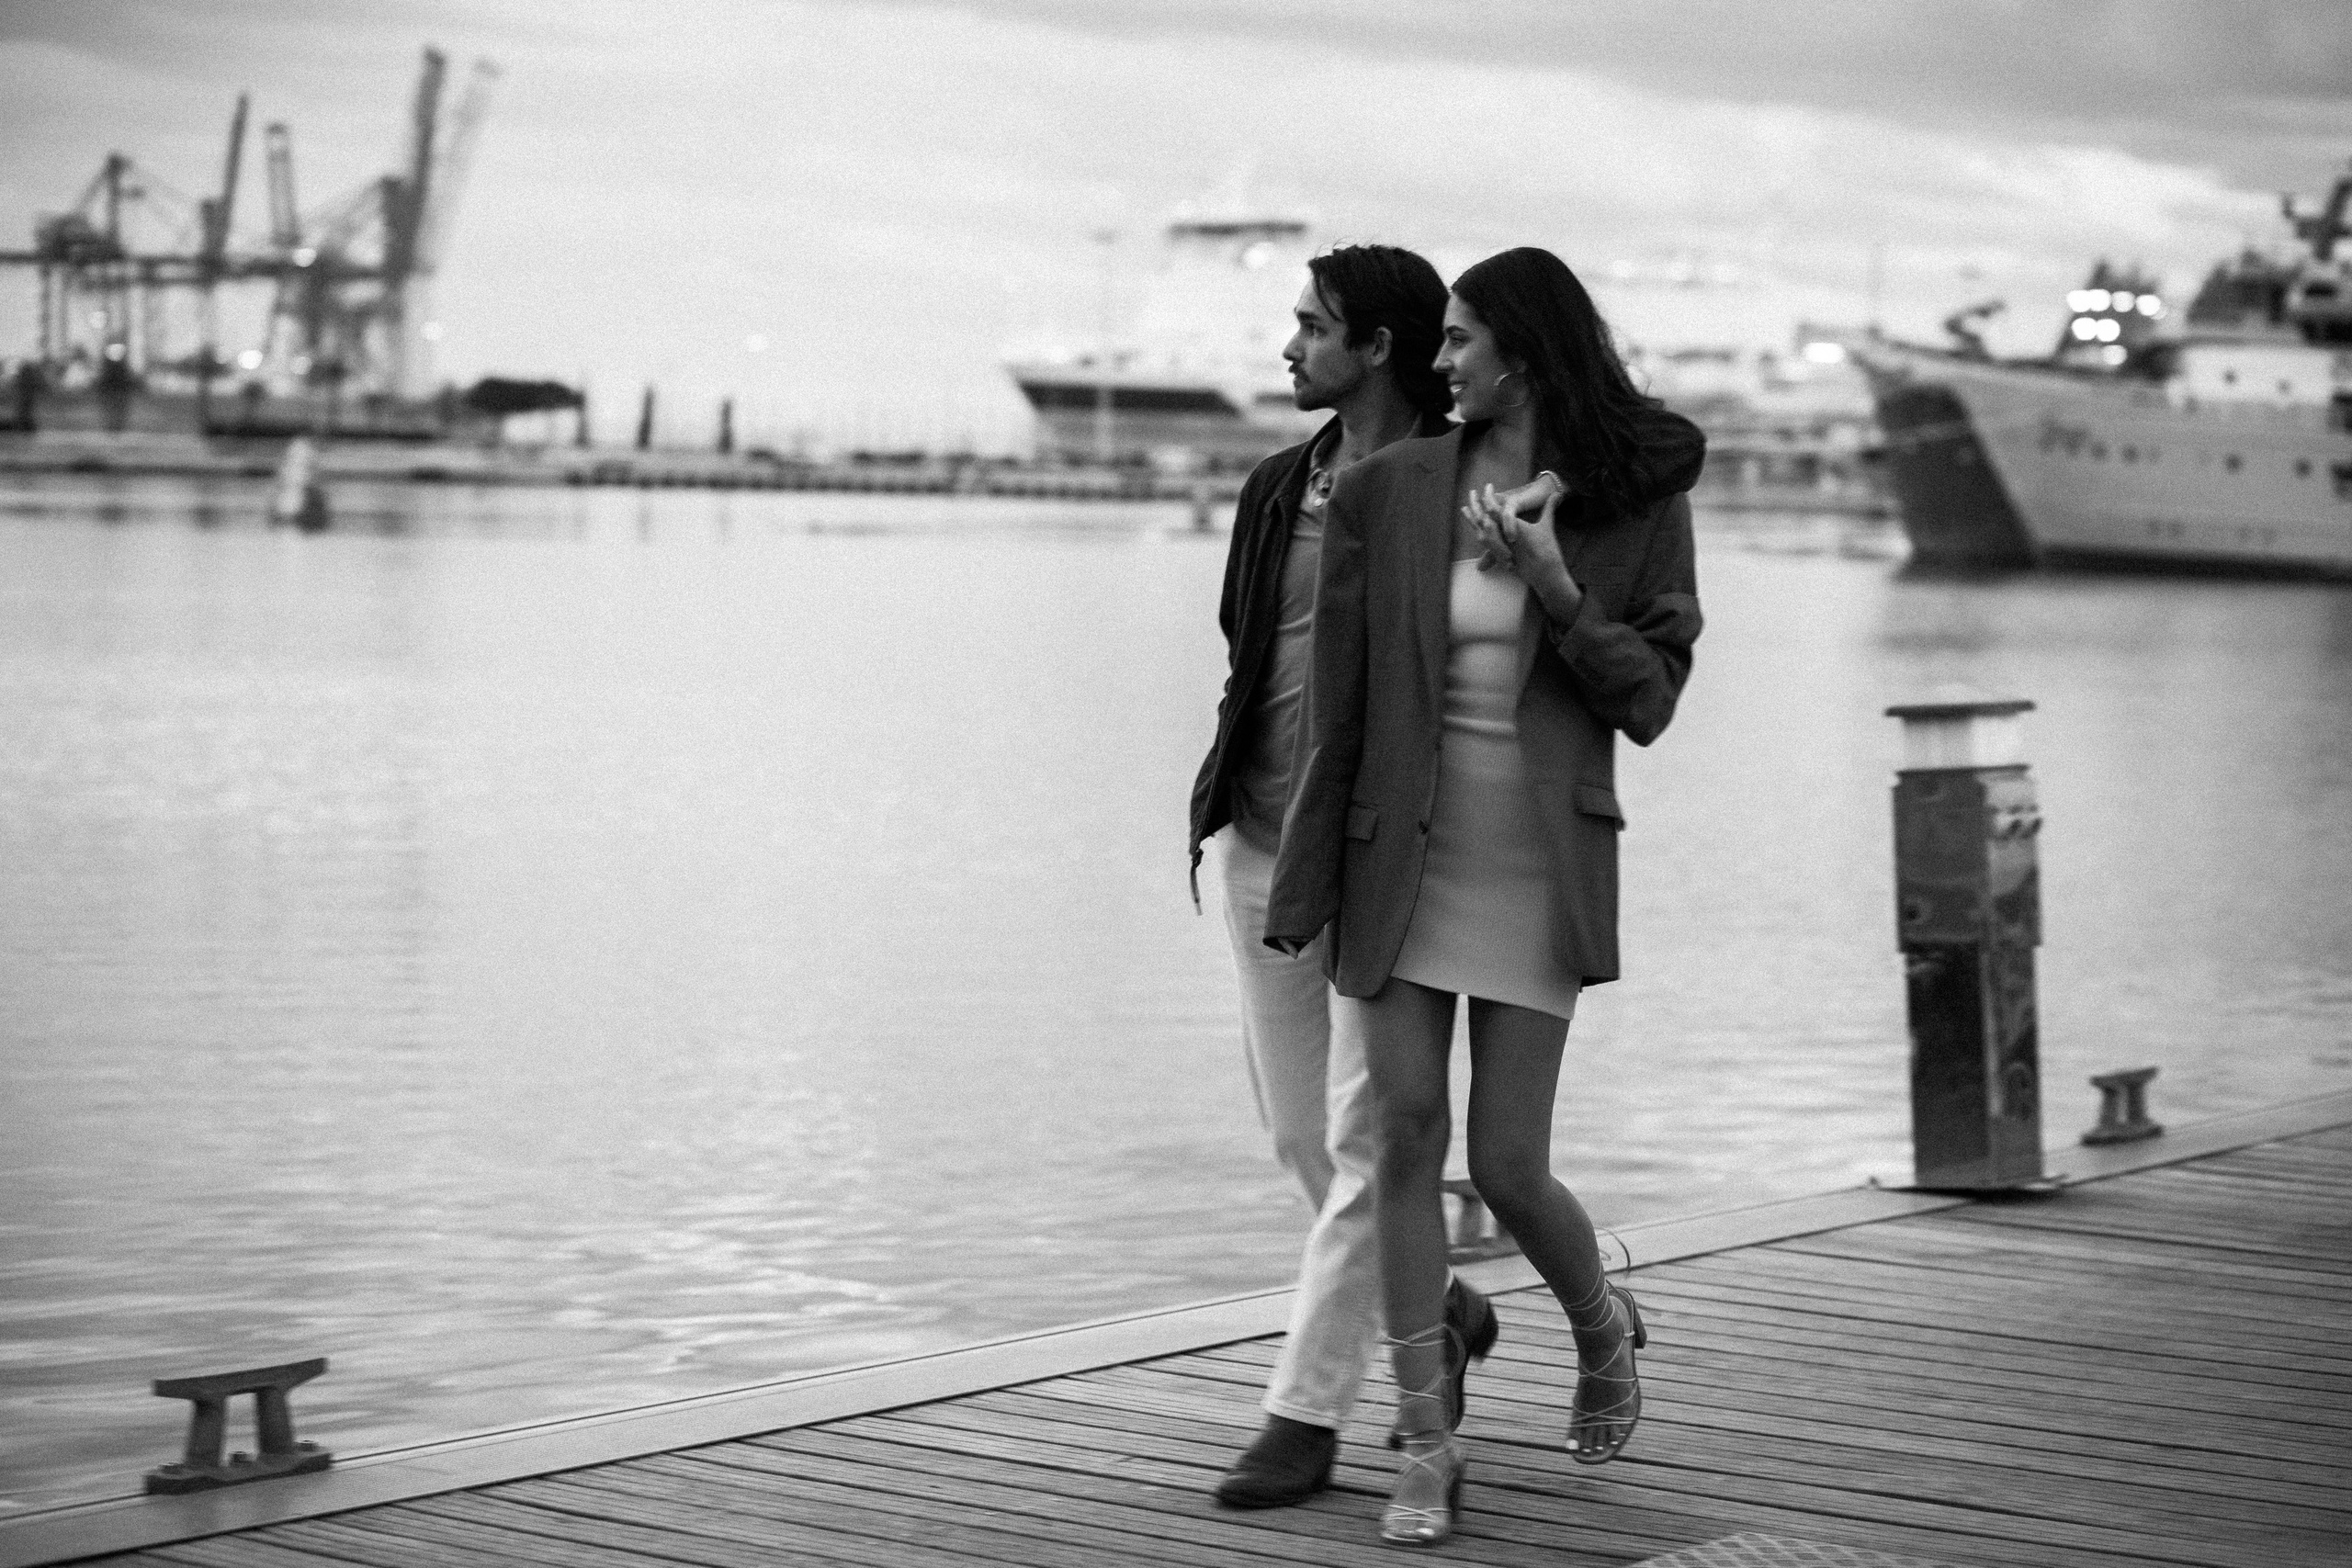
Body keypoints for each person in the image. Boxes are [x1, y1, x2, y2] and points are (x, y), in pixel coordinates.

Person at [1263, 246, 1706, 1546]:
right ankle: (1423, 1440)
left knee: (1509, 1165)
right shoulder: (1393, 490)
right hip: (1399, 857)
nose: (1440, 363)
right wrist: (1306, 881)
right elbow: (1338, 704)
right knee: (1402, 1138)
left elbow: (1652, 702)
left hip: (1536, 857)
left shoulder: (1632, 502)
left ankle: (1601, 1326)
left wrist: (1558, 585)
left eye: (1460, 342)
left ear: (1525, 350)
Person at [1187, 244, 1504, 1509]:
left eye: (1314, 327)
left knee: (1370, 1143)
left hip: (1381, 854)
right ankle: (1445, 1310)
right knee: (1298, 1136)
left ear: (1379, 347)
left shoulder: (1453, 482)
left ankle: (1302, 1416)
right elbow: (1244, 647)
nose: (1290, 347)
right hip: (1259, 837)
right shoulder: (1279, 486)